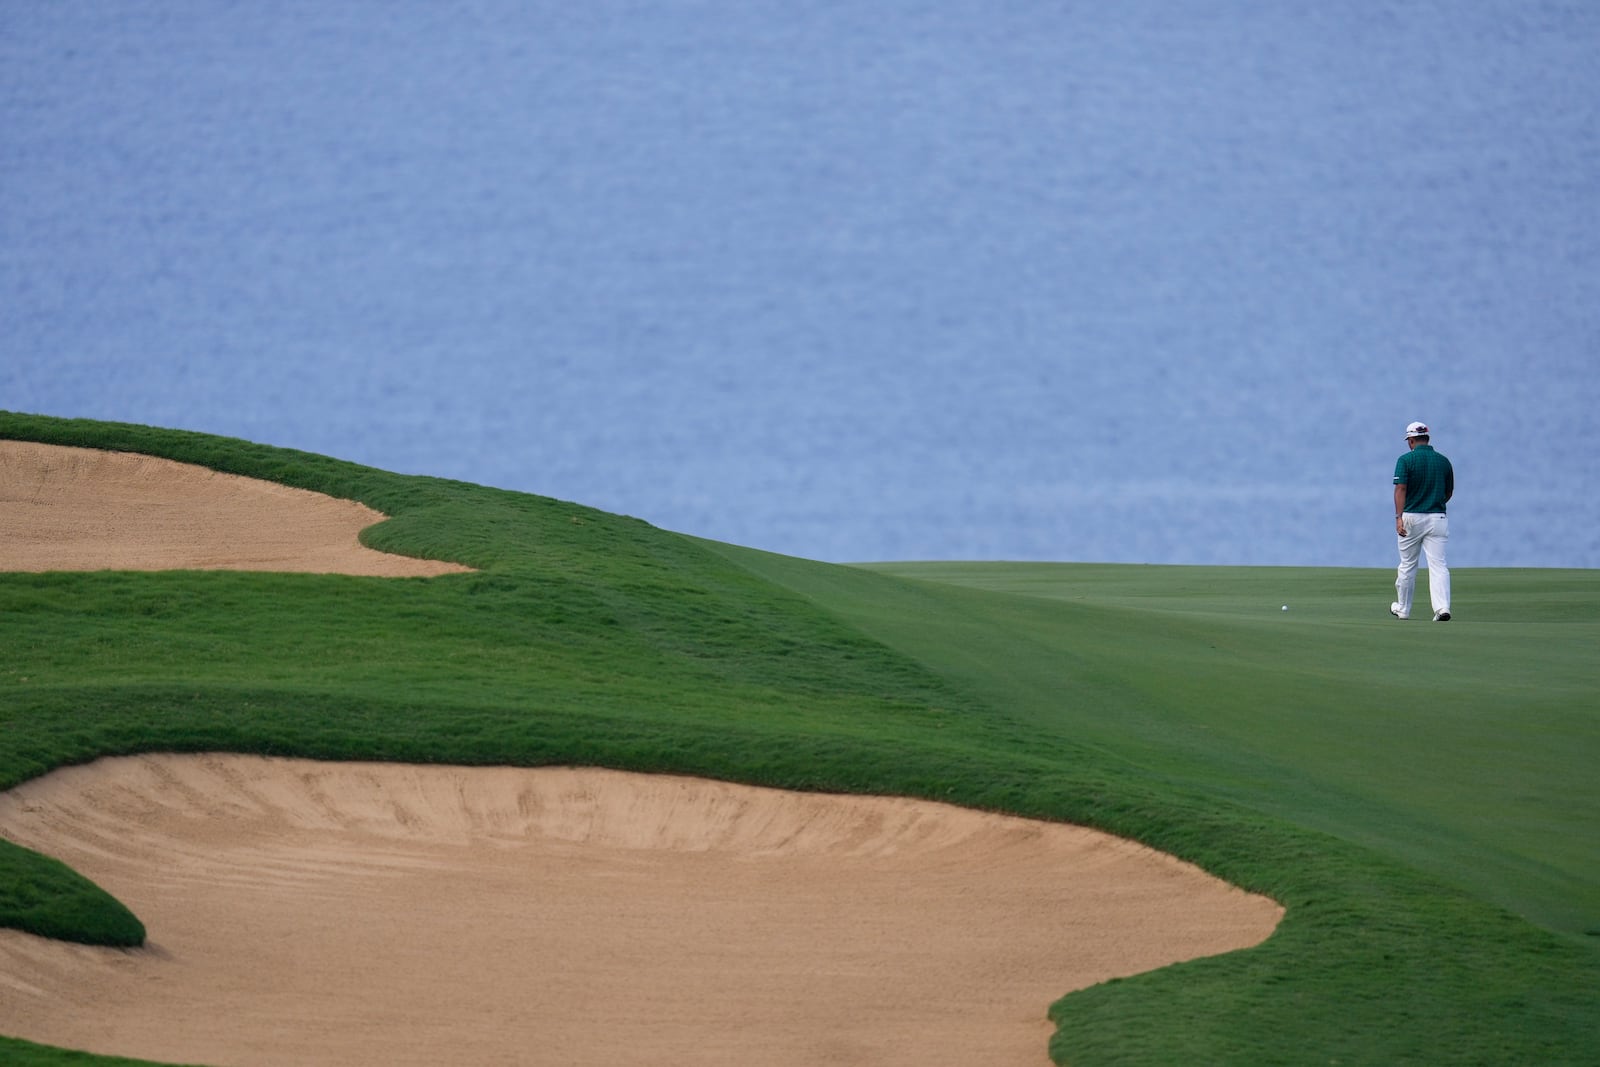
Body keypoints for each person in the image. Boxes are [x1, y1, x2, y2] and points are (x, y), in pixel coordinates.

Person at [1390, 421, 1454, 621]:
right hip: (1438, 518)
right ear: (1427, 438)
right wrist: (1434, 502)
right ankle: (1442, 608)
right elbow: (1448, 492)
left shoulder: (1405, 460)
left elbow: (1400, 489)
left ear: (1410, 440)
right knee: (1438, 565)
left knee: (1408, 564)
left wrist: (1398, 518)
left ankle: (1403, 609)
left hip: (1411, 518)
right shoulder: (1443, 461)